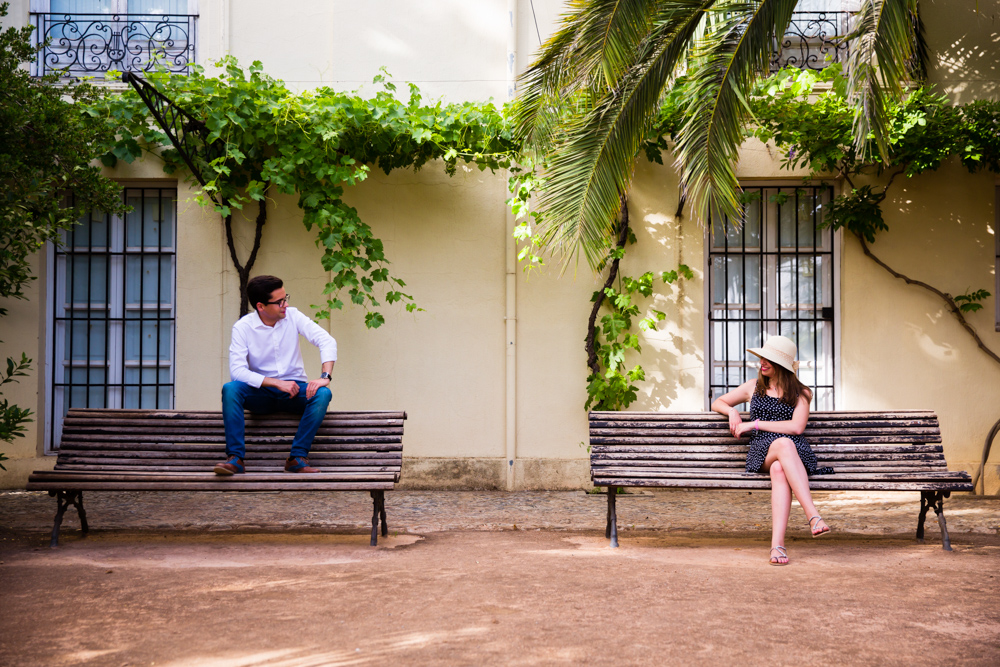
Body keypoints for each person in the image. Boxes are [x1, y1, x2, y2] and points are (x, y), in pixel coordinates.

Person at [710, 335, 831, 565]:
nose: (762, 362)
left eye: (769, 359)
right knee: (782, 447)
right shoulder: (753, 387)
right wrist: (733, 412)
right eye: (762, 357)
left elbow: (796, 428)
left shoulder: (801, 393)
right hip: (761, 451)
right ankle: (813, 516)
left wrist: (754, 424)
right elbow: (718, 402)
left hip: (794, 454)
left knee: (779, 469)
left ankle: (777, 546)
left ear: (782, 366)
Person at [213, 275, 337, 475]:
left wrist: (325, 376)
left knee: (323, 394)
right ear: (261, 306)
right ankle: (235, 459)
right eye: (279, 302)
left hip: (295, 392)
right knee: (230, 389)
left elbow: (327, 341)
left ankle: (296, 458)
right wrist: (277, 383)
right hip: (260, 393)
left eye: (285, 298)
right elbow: (237, 371)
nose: (285, 304)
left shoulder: (293, 316)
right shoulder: (243, 327)